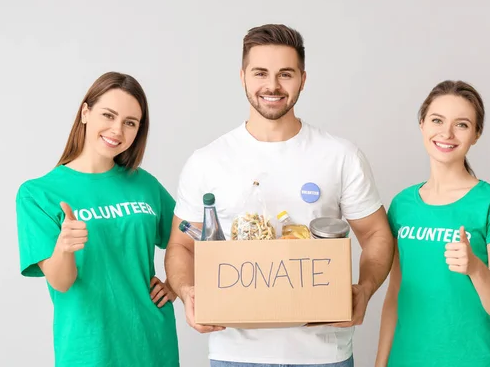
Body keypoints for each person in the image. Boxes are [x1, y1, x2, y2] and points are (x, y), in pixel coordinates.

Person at [165, 24, 394, 367]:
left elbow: (377, 233)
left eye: (285, 74)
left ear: (303, 79)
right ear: (242, 76)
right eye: (261, 73)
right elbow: (181, 245)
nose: (272, 85)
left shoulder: (339, 155)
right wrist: (187, 293)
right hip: (235, 354)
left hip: (323, 354)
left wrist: (364, 290)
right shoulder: (207, 161)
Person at [15, 72, 180, 367]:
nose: (117, 130)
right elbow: (61, 283)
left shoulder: (144, 185)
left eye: (130, 123)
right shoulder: (38, 193)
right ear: (85, 112)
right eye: (108, 115)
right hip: (89, 349)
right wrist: (64, 248)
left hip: (152, 343)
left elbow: (193, 236)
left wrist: (177, 283)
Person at [375, 80, 490, 367]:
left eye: (462, 124)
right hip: (406, 360)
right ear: (422, 124)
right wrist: (381, 363)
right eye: (437, 120)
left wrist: (475, 268)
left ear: (476, 134)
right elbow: (395, 294)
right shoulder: (402, 205)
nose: (447, 133)